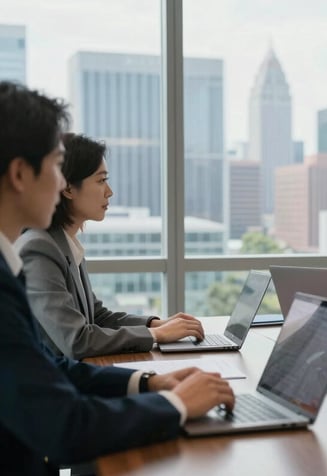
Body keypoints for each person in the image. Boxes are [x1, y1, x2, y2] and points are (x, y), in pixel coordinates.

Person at [0, 81, 234, 475]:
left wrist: (147, 383)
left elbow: (46, 366)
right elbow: (66, 425)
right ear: (21, 173)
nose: (61, 184)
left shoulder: (12, 262)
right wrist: (177, 404)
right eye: (58, 166)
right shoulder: (27, 256)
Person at [15, 133, 205, 359]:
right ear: (67, 188)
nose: (109, 191)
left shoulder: (64, 242)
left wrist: (155, 323)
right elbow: (77, 340)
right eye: (101, 180)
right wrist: (156, 335)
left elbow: (97, 316)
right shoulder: (39, 248)